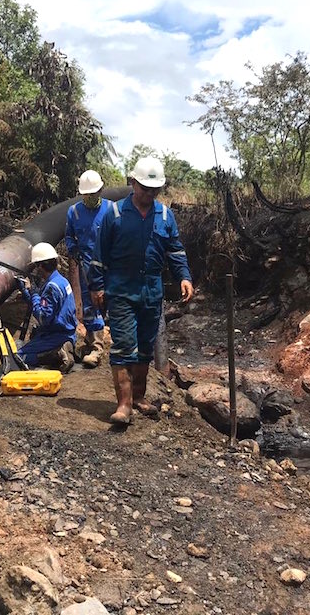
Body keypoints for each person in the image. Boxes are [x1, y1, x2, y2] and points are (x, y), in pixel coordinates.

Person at [89, 156, 194, 425]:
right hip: (122, 290)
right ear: (133, 182)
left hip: (152, 292)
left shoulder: (165, 216)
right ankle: (123, 405)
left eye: (154, 189)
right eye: (144, 188)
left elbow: (175, 250)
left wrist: (184, 276)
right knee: (124, 346)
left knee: (145, 348)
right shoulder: (114, 214)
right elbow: (99, 255)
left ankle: (138, 396)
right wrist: (97, 287)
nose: (148, 194)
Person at [65, 169, 111, 366]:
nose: (91, 198)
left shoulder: (111, 209)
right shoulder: (74, 212)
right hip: (86, 266)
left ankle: (120, 345)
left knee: (112, 303)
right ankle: (95, 346)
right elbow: (69, 235)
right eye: (87, 195)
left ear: (100, 191)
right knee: (90, 305)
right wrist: (72, 248)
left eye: (94, 194)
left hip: (109, 265)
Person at [17, 242, 78, 373]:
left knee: (20, 356)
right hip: (67, 331)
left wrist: (33, 293)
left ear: (41, 266)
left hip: (56, 333)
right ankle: (63, 346)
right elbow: (41, 305)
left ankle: (56, 354)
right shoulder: (61, 280)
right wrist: (28, 293)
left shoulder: (51, 288)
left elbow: (42, 317)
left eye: (36, 266)